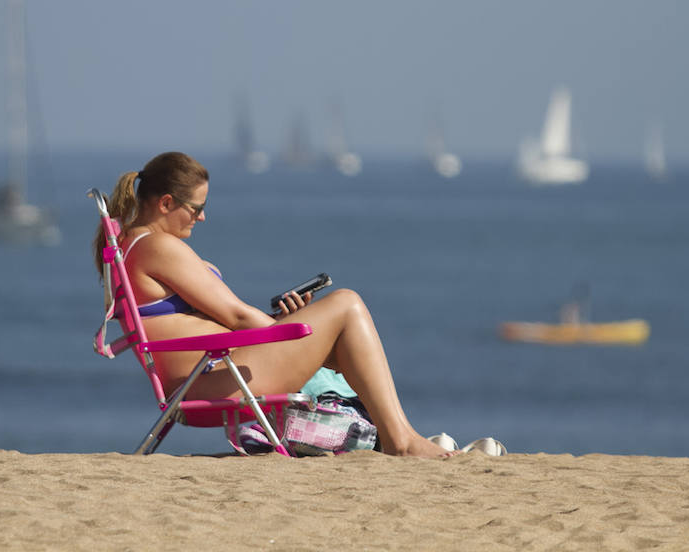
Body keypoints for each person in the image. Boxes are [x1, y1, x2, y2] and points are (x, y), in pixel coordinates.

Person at [93, 151, 457, 458]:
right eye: (196, 208)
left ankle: (398, 437)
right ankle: (402, 441)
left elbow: (206, 321)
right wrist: (291, 336)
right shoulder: (157, 247)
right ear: (166, 203)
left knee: (336, 323)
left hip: (211, 371)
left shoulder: (133, 246)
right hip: (212, 380)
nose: (202, 217)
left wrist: (284, 326)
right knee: (348, 304)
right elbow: (235, 315)